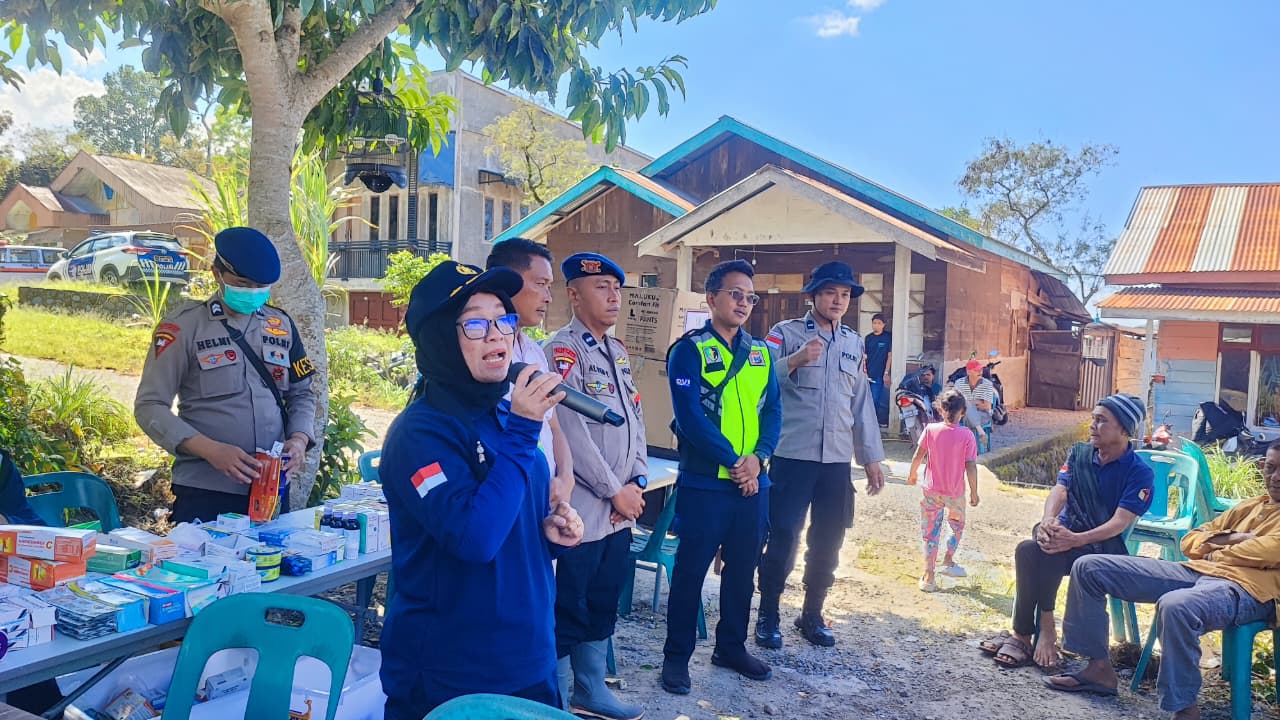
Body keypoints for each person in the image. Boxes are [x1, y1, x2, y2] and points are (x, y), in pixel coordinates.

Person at [378, 260, 585, 718]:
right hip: (453, 676)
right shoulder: (420, 434)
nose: (497, 335)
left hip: (528, 658)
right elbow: (474, 539)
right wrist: (526, 427)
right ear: (439, 339)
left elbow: (508, 516)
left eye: (503, 318)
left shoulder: (504, 418)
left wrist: (549, 535)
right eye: (475, 322)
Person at [1046, 441, 1280, 719]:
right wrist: (1234, 538)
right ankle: (1098, 669)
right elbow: (1190, 541)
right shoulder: (1250, 506)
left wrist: (1215, 548)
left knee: (1176, 605)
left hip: (1248, 589)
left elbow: (1266, 551)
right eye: (1270, 467)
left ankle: (1184, 708)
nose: (1275, 476)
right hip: (1196, 571)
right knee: (1089, 567)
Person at [134, 227, 316, 524]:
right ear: (217, 273)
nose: (253, 292)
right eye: (243, 283)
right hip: (206, 490)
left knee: (268, 569)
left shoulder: (280, 325)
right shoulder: (184, 328)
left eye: (261, 286)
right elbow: (149, 407)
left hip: (270, 488)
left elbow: (303, 392)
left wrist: (298, 439)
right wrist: (211, 450)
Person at [661, 259, 782, 696]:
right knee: (691, 572)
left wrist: (759, 459)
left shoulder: (761, 352)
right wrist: (735, 462)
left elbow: (772, 412)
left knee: (743, 569)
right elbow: (690, 417)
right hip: (705, 483)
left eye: (750, 296)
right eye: (735, 293)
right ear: (711, 298)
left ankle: (730, 646)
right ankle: (676, 658)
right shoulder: (688, 350)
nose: (743, 303)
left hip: (754, 484)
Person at [755, 261, 885, 649]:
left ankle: (812, 613)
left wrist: (871, 457)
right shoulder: (785, 334)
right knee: (783, 537)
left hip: (835, 463)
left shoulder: (852, 342)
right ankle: (768, 614)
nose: (838, 300)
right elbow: (756, 381)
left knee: (829, 539)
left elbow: (860, 403)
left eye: (845, 295)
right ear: (813, 295)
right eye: (831, 292)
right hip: (793, 455)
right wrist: (794, 361)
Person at [543, 252, 647, 720]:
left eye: (616, 288)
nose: (613, 296)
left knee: (604, 599)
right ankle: (559, 697)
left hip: (619, 509)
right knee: (571, 603)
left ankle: (591, 689)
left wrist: (638, 481)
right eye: (601, 287)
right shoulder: (563, 350)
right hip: (583, 510)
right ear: (574, 294)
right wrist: (613, 490)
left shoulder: (619, 351)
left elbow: (636, 421)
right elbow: (570, 429)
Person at [979, 393, 1154, 670]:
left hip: (1100, 547)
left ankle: (1037, 630)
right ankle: (1027, 633)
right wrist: (1048, 518)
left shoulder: (1139, 472)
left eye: (1101, 421)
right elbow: (1061, 489)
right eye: (1093, 419)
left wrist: (1076, 539)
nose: (1093, 426)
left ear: (1124, 430)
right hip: (1065, 536)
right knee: (1031, 546)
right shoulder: (1079, 453)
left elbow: (1120, 522)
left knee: (1047, 550)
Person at [485, 237, 574, 505]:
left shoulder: (535, 353)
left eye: (550, 286)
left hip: (545, 499)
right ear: (506, 282)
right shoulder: (484, 357)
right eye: (540, 284)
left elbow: (553, 425)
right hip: (508, 498)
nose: (548, 297)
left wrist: (566, 479)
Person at [906, 390, 979, 592]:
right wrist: (974, 492)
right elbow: (970, 466)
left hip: (931, 490)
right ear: (963, 411)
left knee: (930, 532)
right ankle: (948, 560)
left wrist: (912, 475)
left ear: (941, 408)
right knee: (956, 525)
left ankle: (929, 575)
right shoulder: (967, 435)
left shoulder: (930, 430)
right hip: (955, 493)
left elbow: (918, 455)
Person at [953, 359, 996, 453]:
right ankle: (980, 432)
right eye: (976, 370)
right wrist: (976, 402)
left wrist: (968, 403)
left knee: (966, 405)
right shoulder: (959, 383)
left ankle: (969, 450)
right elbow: (957, 401)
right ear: (968, 372)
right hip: (963, 415)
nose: (980, 372)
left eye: (980, 370)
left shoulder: (987, 384)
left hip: (983, 415)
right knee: (965, 404)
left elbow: (987, 406)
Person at [863, 313, 892, 427]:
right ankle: (868, 422)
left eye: (879, 323)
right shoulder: (868, 338)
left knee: (876, 399)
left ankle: (875, 422)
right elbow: (864, 356)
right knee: (866, 399)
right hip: (868, 374)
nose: (876, 325)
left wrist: (886, 373)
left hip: (880, 375)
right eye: (874, 323)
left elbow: (889, 356)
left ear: (883, 325)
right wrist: (863, 371)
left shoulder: (887, 337)